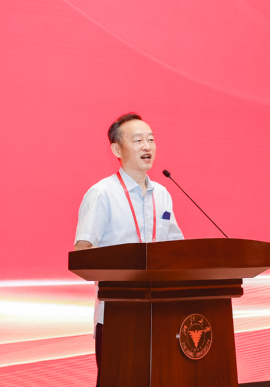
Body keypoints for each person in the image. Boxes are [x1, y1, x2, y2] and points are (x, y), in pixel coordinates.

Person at [74, 113, 184, 386]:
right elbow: (82, 253)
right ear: (116, 149)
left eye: (151, 139)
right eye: (137, 140)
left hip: (162, 313)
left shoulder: (163, 194)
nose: (147, 146)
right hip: (117, 315)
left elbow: (177, 251)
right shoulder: (102, 194)